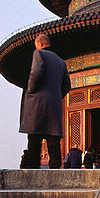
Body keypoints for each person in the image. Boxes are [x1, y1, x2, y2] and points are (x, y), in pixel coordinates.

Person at [19, 32, 71, 169]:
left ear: (40, 44)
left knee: (34, 140)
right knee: (53, 142)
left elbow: (36, 73)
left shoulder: (38, 54)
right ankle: (55, 172)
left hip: (37, 104)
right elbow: (67, 86)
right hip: (54, 106)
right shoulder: (61, 62)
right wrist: (56, 96)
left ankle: (33, 173)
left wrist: (31, 89)